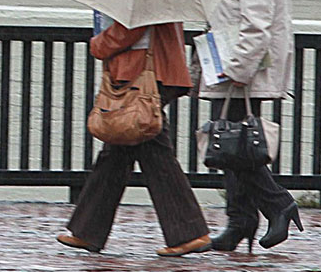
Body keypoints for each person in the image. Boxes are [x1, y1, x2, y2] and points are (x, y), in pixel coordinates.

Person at [200, 0, 302, 251]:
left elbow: (257, 18)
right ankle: (240, 221)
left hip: (243, 65)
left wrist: (238, 68)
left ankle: (277, 205)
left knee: (236, 146)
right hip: (235, 61)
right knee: (232, 143)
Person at [58, 18, 212, 256]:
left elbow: (131, 28)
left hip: (143, 74)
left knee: (153, 153)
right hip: (154, 71)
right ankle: (87, 231)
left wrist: (99, 44)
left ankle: (189, 233)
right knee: (117, 153)